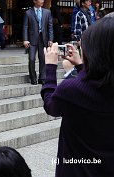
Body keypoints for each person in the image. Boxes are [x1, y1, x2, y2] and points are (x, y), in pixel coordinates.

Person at [41, 17, 114, 177]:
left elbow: (51, 105)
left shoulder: (71, 90)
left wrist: (50, 68)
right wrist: (80, 65)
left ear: (95, 52)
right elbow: (98, 83)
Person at [23, 0, 53, 85]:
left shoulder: (47, 12)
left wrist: (50, 39)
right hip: (32, 39)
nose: (42, 1)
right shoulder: (28, 13)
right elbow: (25, 27)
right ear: (34, 1)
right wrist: (25, 39)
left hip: (43, 39)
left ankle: (42, 78)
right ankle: (33, 78)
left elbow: (50, 27)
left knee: (42, 59)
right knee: (31, 59)